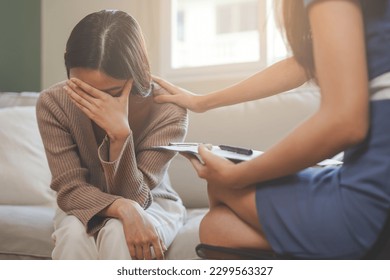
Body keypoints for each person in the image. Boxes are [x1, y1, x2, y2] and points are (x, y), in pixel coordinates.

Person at [153, 0, 390, 259]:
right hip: (366, 171)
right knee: (217, 228)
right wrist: (202, 102)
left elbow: (344, 123)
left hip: (372, 194)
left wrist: (238, 175)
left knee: (221, 189)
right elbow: (304, 64)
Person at [36, 10, 188, 260]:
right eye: (83, 90)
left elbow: (137, 197)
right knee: (74, 236)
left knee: (119, 232)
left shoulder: (168, 110)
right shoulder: (53, 103)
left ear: (139, 70)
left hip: (154, 202)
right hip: (83, 202)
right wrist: (123, 208)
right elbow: (70, 190)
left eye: (112, 92)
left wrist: (120, 135)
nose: (96, 104)